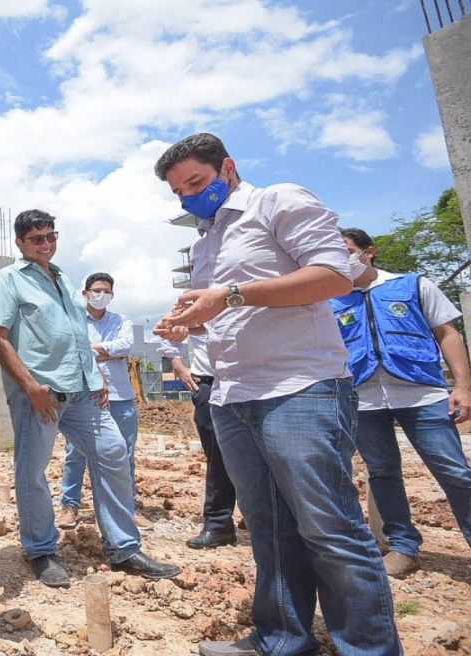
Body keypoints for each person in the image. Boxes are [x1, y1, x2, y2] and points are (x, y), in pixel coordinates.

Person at [153, 133, 401, 656]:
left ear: (228, 167)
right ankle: (283, 638)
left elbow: (334, 276)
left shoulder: (277, 201)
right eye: (179, 192)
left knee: (329, 528)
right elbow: (230, 315)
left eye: (196, 182)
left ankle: (368, 647)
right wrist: (190, 325)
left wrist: (230, 294)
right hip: (232, 395)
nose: (190, 197)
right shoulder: (204, 242)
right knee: (267, 528)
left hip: (299, 388)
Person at [0, 210, 181, 588]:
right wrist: (31, 388)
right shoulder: (9, 279)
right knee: (32, 471)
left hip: (82, 393)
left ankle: (124, 547)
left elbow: (78, 335)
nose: (46, 244)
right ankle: (41, 550)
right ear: (20, 242)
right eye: (37, 238)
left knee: (113, 451)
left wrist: (95, 377)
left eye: (51, 236)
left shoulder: (63, 279)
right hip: (41, 395)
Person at [331, 227, 471, 577]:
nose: (340, 259)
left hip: (422, 394)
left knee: (454, 471)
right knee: (382, 472)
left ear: (369, 252)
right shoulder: (331, 300)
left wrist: (463, 386)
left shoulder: (413, 285)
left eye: (346, 250)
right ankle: (403, 546)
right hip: (364, 400)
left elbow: (447, 334)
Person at [56, 273, 148, 531]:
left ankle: (127, 507)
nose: (101, 295)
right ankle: (69, 505)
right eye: (96, 290)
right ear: (85, 293)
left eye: (106, 291)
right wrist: (108, 352)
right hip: (86, 395)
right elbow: (75, 349)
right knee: (76, 453)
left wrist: (91, 349)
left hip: (121, 396)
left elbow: (126, 346)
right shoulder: (74, 319)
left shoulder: (121, 320)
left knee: (125, 454)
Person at [157, 335, 238, 548]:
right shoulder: (194, 312)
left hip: (253, 380)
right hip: (209, 384)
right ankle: (219, 524)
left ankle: (264, 520)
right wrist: (179, 367)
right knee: (218, 458)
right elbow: (168, 333)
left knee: (264, 454)